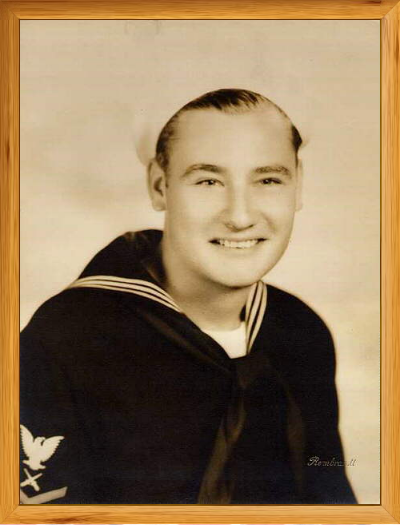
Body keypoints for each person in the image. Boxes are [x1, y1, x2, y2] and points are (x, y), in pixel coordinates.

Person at [20, 88, 356, 504]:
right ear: (159, 186)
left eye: (268, 180)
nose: (240, 216)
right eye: (208, 181)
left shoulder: (300, 330)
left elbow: (329, 489)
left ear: (298, 185)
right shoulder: (66, 339)